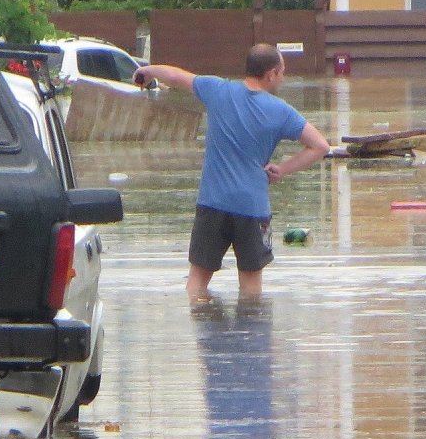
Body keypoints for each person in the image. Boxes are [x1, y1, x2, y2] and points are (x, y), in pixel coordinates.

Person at [133, 44, 330, 299]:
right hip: (252, 209)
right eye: (282, 72)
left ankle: (202, 337)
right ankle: (249, 337)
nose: (283, 78)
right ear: (270, 74)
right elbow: (320, 146)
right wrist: (282, 169)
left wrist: (147, 70)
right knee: (250, 287)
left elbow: (175, 75)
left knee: (197, 282)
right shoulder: (281, 111)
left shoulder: (217, 90)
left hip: (212, 202)